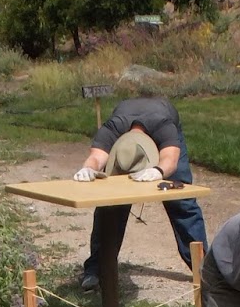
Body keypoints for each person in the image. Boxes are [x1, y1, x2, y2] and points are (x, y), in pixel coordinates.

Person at [70, 96, 207, 293]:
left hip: (164, 120)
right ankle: (96, 269)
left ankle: (206, 271)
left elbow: (170, 159)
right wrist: (88, 170)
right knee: (110, 204)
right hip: (127, 126)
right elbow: (95, 158)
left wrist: (158, 171)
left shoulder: (164, 126)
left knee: (182, 202)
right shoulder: (112, 129)